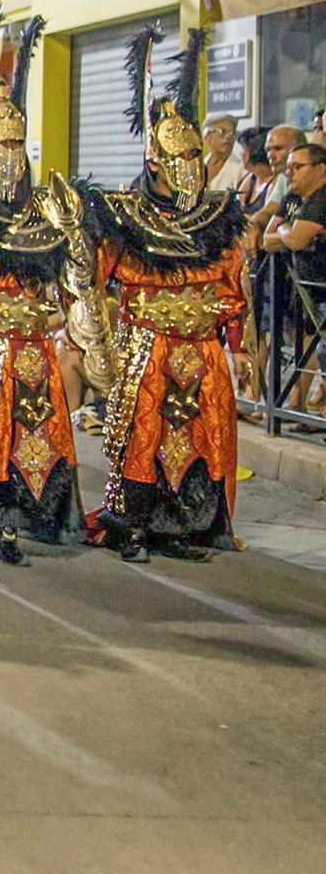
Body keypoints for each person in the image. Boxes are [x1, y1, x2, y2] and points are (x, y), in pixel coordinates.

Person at [85, 28, 250, 562]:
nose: (188, 166)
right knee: (143, 437)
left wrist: (237, 339)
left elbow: (232, 277)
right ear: (154, 160)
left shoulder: (219, 214)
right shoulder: (128, 215)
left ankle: (186, 524)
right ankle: (134, 524)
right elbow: (93, 276)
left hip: (201, 349)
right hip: (148, 346)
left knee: (201, 437)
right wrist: (95, 337)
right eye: (177, 157)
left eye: (194, 156)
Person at [0, 6, 84, 563]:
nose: (8, 156)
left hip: (32, 345)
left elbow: (68, 279)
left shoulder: (44, 205)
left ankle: (29, 518)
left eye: (15, 145)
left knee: (37, 435)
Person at [261, 142, 326, 414]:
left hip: (320, 287)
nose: (290, 173)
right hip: (302, 290)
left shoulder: (321, 199)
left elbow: (297, 240)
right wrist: (288, 232)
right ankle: (295, 408)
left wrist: (286, 229)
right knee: (311, 349)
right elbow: (267, 240)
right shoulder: (290, 198)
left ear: (320, 168)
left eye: (297, 167)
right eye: (288, 168)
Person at [204, 115, 241, 192]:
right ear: (208, 136)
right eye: (222, 131)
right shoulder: (199, 165)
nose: (228, 137)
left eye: (232, 133)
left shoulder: (241, 170)